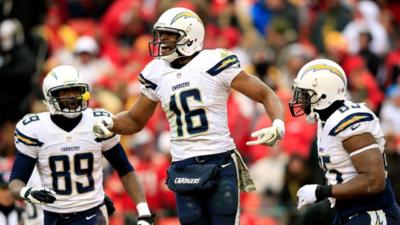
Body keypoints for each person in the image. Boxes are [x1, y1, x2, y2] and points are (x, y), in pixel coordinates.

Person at [93, 7, 285, 225]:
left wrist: (277, 123)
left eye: (169, 35)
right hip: (183, 166)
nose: (161, 40)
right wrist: (110, 123)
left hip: (219, 161)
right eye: (160, 34)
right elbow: (135, 120)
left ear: (190, 37)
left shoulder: (214, 62)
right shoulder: (156, 71)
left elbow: (265, 93)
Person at [8, 65, 154, 225]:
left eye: (76, 91)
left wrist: (144, 212)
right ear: (49, 96)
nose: (71, 97)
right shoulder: (35, 129)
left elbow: (125, 169)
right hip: (53, 216)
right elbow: (16, 181)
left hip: (91, 212)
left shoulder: (98, 122)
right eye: (64, 92)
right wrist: (26, 192)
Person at [289, 58, 400, 224]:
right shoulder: (326, 119)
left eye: (305, 94)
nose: (300, 100)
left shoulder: (349, 120)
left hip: (372, 212)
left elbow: (375, 181)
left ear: (323, 93)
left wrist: (322, 191)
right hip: (348, 211)